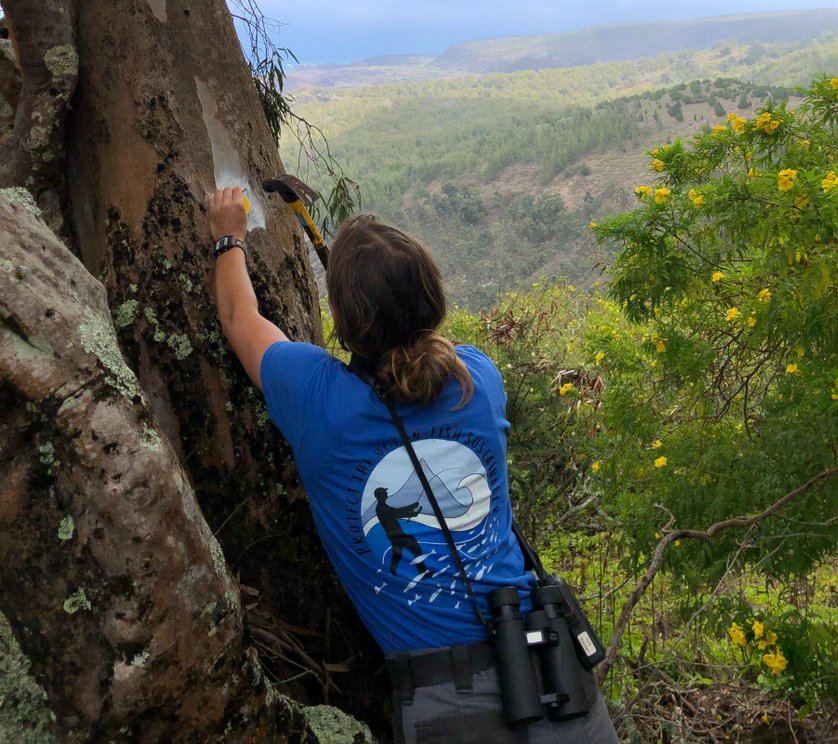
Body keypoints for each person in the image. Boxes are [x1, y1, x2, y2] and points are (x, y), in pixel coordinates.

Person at [208, 186, 618, 744]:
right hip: (554, 673)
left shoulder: (317, 402)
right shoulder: (478, 383)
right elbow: (426, 357)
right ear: (435, 301)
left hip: (445, 704)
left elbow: (239, 316)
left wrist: (227, 235)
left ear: (342, 321)